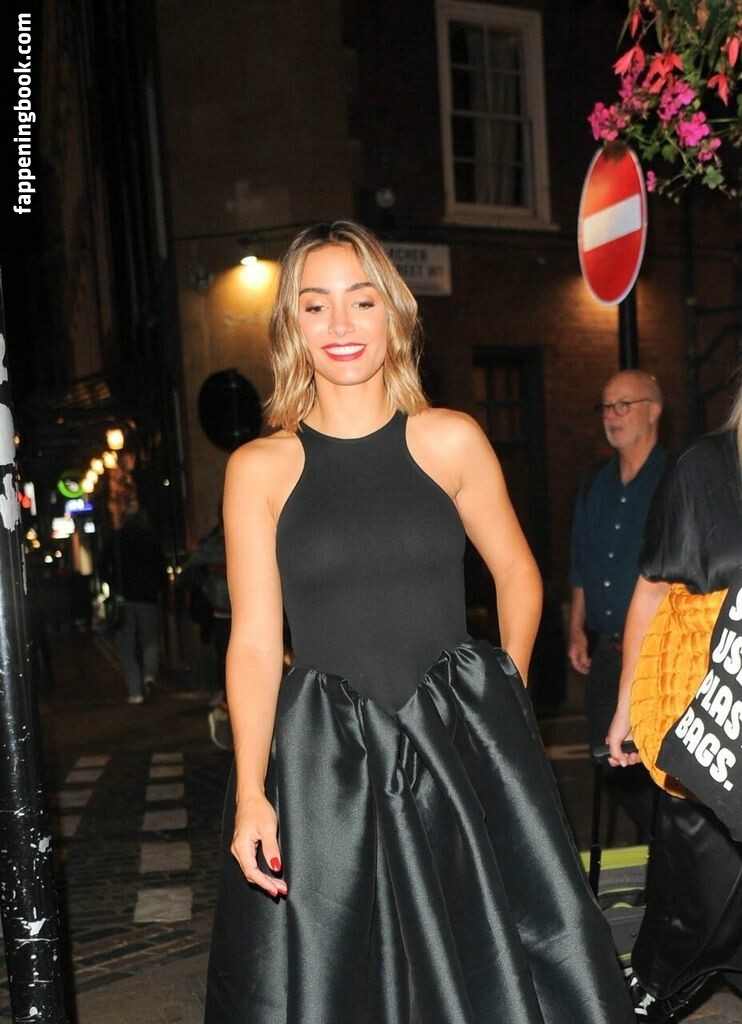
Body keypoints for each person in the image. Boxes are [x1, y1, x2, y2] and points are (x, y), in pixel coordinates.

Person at [205, 221, 634, 1024]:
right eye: (316, 306)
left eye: (362, 301)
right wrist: (252, 795)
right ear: (292, 326)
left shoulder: (449, 439)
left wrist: (499, 694)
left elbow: (518, 573)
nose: (341, 325)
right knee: (345, 983)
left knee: (488, 965)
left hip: (452, 743)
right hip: (325, 764)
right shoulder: (260, 468)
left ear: (393, 314)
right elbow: (256, 642)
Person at [607, 377, 742, 1022]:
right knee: (694, 896)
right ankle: (657, 989)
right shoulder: (702, 467)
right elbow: (651, 590)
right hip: (708, 719)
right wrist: (627, 705)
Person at [568, 370, 666, 834]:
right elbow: (580, 560)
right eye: (607, 406)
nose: (612, 415)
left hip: (658, 654)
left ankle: (674, 856)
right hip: (607, 649)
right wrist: (576, 627)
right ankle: (665, 849)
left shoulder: (675, 477)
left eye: (624, 404)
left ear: (654, 410)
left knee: (660, 768)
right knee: (609, 760)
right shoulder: (596, 481)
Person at [100, 509, 166, 704]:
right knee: (150, 639)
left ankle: (135, 692)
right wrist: (158, 588)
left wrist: (113, 583)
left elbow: (102, 564)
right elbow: (161, 568)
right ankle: (149, 675)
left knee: (126, 645)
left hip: (124, 597)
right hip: (148, 597)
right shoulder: (151, 540)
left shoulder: (117, 539)